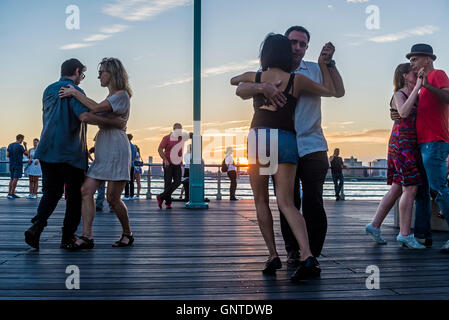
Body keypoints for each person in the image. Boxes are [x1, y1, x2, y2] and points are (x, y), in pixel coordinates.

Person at [231, 33, 338, 282]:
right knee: (287, 203)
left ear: (265, 54)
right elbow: (330, 91)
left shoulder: (257, 75)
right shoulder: (297, 80)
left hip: (260, 137)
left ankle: (272, 254)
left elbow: (234, 82)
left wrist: (260, 86)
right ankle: (308, 254)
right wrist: (326, 66)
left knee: (260, 199)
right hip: (288, 139)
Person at [24, 58, 125, 250]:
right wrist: (116, 123)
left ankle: (36, 227)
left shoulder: (48, 90)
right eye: (83, 75)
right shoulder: (75, 91)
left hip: (46, 150)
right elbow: (85, 116)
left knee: (50, 192)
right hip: (70, 152)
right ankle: (67, 236)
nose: (82, 79)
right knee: (74, 197)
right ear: (77, 71)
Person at [58, 57, 134, 249]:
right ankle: (87, 236)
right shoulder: (110, 99)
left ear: (112, 74)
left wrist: (74, 93)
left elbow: (94, 109)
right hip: (103, 148)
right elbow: (88, 116)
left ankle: (127, 233)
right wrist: (112, 121)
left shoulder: (121, 96)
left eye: (102, 72)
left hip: (117, 149)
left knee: (112, 199)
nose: (98, 75)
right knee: (86, 190)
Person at [365, 63, 426, 249]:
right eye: (413, 72)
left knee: (397, 188)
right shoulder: (400, 94)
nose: (416, 74)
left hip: (411, 143)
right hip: (403, 144)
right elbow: (403, 112)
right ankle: (405, 234)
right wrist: (417, 87)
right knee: (411, 187)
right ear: (404, 75)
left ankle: (374, 225)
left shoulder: (416, 93)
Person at [407, 44, 449, 253]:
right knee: (422, 192)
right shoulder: (421, 84)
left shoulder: (438, 75)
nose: (412, 64)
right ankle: (422, 236)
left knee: (439, 190)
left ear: (427, 59)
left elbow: (447, 97)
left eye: (414, 59)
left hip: (435, 142)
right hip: (423, 143)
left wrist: (426, 86)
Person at [156, 123, 189, 209]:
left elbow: (190, 135)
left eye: (181, 129)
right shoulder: (166, 138)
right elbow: (160, 150)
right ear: (174, 129)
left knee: (178, 182)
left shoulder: (181, 138)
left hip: (177, 164)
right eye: (178, 129)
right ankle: (168, 203)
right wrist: (165, 160)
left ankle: (161, 197)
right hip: (168, 164)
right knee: (168, 183)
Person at [7, 134, 27, 199]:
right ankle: (12, 193)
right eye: (22, 139)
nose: (22, 141)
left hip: (11, 164)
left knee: (12, 179)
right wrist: (25, 146)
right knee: (15, 179)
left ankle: (9, 193)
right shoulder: (20, 146)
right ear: (20, 139)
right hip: (18, 164)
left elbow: (7, 155)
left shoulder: (10, 145)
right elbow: (27, 154)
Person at [88, 147, 107, 212]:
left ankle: (99, 205)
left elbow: (87, 153)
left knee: (101, 188)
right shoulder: (107, 147)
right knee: (111, 187)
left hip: (99, 168)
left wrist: (93, 160)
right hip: (107, 166)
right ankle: (112, 206)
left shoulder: (95, 148)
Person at [124, 134, 137, 200]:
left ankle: (126, 195)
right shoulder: (134, 146)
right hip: (132, 164)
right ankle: (132, 195)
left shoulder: (125, 145)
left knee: (126, 180)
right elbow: (135, 156)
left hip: (126, 164)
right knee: (131, 181)